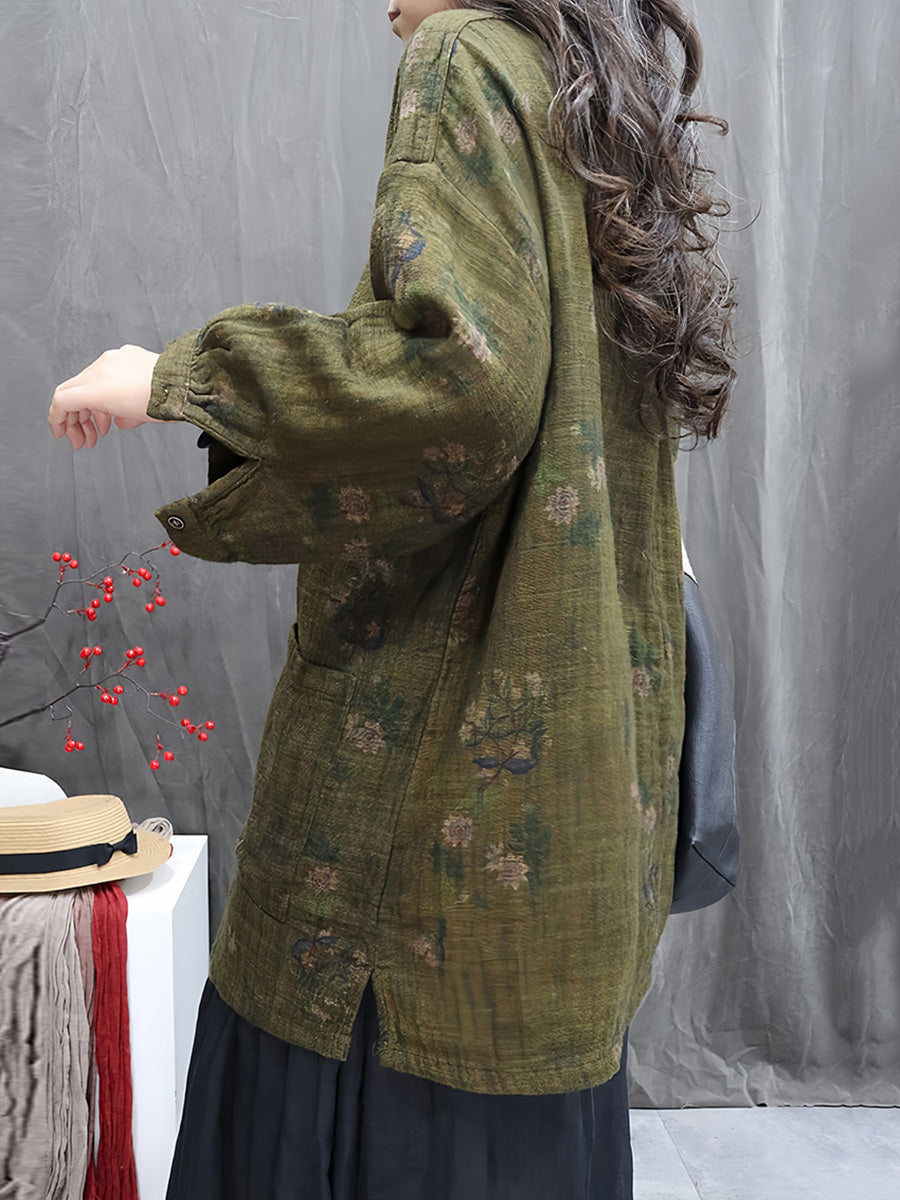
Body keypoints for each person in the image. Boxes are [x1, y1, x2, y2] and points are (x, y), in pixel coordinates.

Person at [48, 1, 736, 1196]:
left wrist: (177, 376)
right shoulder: (582, 88)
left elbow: (461, 383)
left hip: (418, 848)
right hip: (569, 814)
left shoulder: (466, 57)